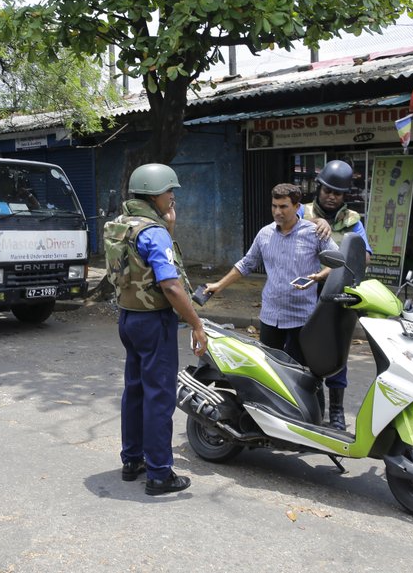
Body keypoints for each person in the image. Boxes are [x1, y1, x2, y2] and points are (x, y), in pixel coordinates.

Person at [108, 163, 207, 496]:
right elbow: (171, 285)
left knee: (134, 390)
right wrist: (196, 324)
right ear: (154, 193)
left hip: (128, 318)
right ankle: (160, 473)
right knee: (159, 397)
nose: (173, 197)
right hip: (154, 322)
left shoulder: (123, 225)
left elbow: (141, 268)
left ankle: (132, 460)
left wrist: (170, 229)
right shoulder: (153, 231)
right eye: (170, 191)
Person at [205, 182, 337, 369]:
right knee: (270, 369)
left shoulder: (314, 233)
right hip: (270, 315)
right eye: (274, 206)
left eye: (283, 206)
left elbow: (338, 261)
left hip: (302, 317)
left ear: (297, 207)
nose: (277, 212)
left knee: (303, 373)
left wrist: (319, 276)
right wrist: (219, 285)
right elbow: (246, 264)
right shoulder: (264, 234)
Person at [299, 160, 373, 429]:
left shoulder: (353, 222)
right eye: (328, 190)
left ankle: (338, 412)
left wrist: (340, 261)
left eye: (337, 193)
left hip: (338, 295)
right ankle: (312, 410)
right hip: (304, 293)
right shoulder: (300, 212)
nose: (331, 197)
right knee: (304, 351)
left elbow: (363, 256)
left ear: (344, 196)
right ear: (319, 188)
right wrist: (315, 222)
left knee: (335, 351)